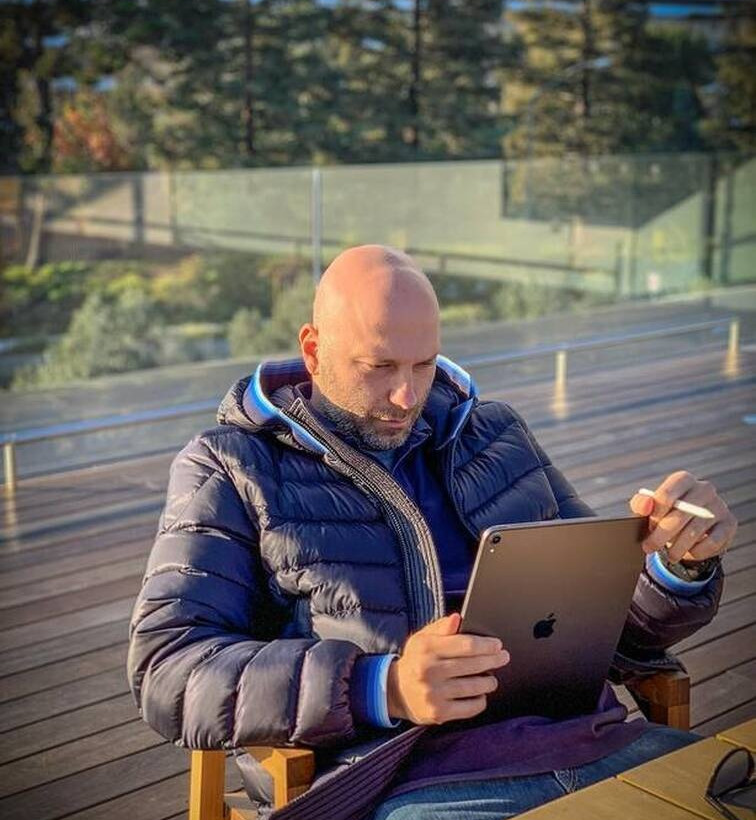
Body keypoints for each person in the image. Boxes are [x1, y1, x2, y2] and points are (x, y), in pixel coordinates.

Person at [127, 245, 737, 820]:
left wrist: (676, 566)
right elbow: (167, 670)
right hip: (408, 782)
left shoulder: (495, 435)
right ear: (313, 350)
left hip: (595, 746)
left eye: (425, 365)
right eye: (380, 367)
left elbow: (613, 631)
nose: (406, 395)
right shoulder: (231, 466)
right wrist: (384, 686)